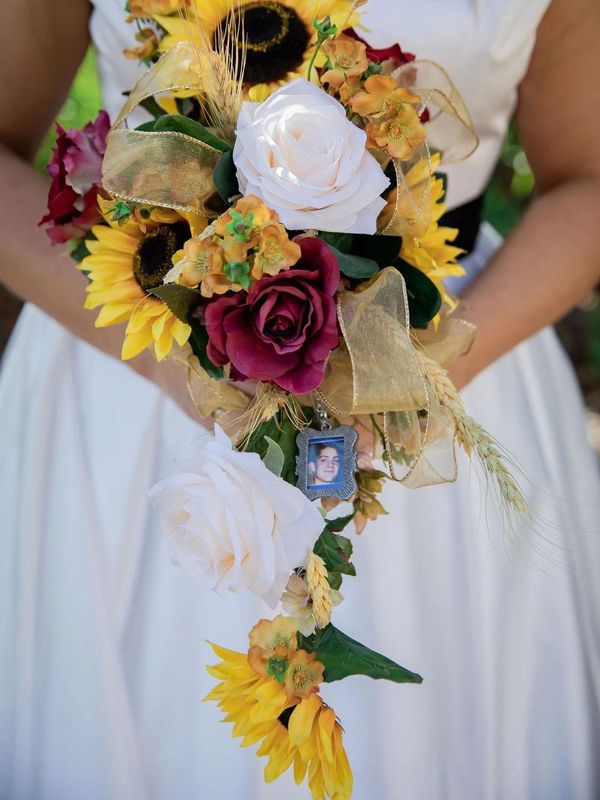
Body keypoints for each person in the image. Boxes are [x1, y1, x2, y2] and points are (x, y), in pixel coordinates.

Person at [1, 0, 599, 798]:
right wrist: (170, 369)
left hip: (449, 366)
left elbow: (588, 181)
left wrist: (408, 378)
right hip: (134, 368)